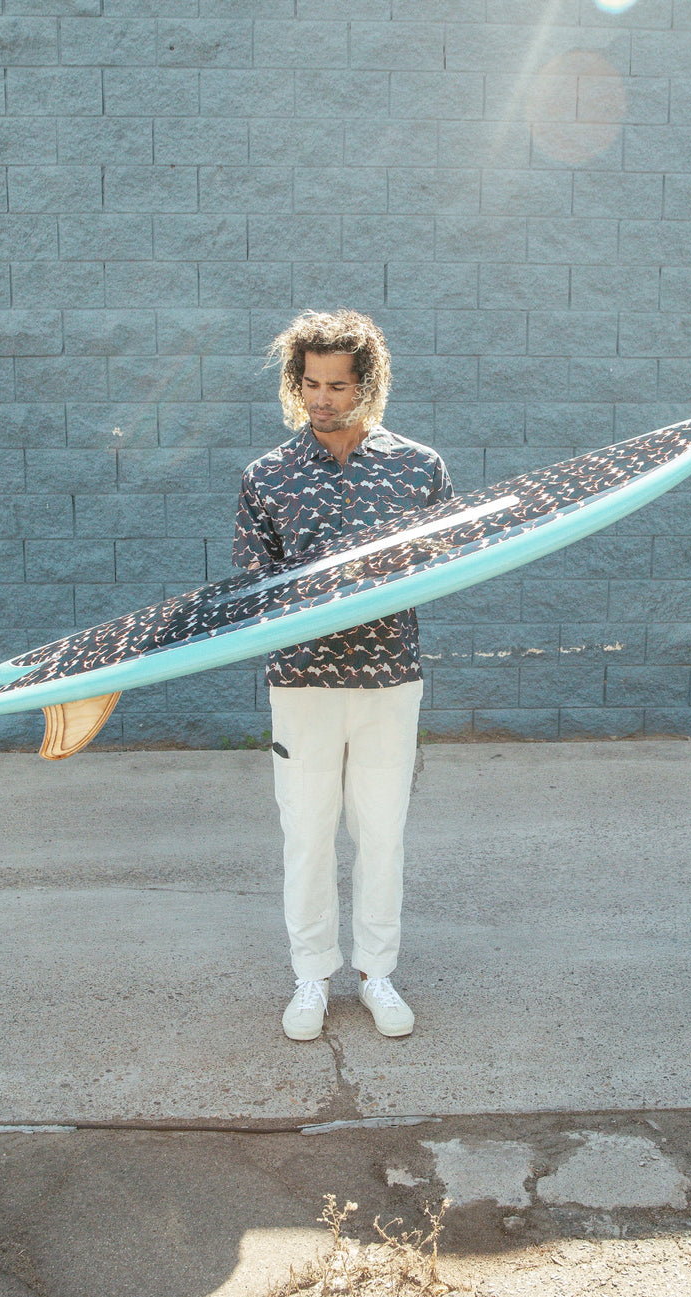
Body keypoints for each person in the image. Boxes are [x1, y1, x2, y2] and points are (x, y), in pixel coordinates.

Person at [233, 309, 453, 1042]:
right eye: (311, 383)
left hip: (389, 677)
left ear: (368, 384)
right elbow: (253, 588)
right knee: (306, 834)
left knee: (382, 833)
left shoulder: (417, 467)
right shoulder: (267, 476)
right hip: (302, 682)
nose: (322, 399)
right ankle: (311, 976)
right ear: (295, 382)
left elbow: (446, 563)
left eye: (338, 385)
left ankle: (377, 974)